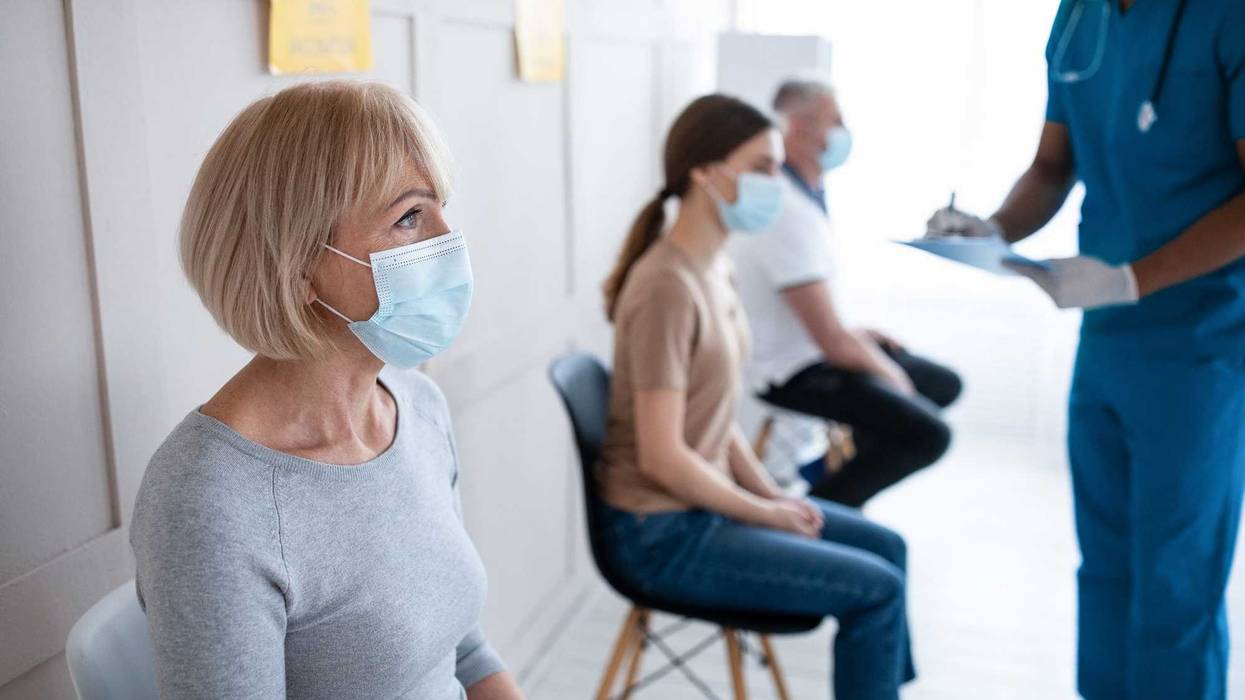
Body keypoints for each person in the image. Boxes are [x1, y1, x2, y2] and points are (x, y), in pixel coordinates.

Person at [128, 81, 524, 700]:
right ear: (298, 264)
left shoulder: (417, 408)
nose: (448, 240)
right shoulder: (208, 503)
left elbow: (463, 650)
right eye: (410, 217)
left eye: (441, 207)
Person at [926, 1, 1245, 697]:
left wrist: (1137, 278)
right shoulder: (1079, 14)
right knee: (1102, 569)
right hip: (1104, 339)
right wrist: (989, 230)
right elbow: (1049, 166)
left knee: (1175, 581)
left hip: (1202, 345)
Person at [597, 93, 916, 700]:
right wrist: (763, 513)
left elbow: (713, 421)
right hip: (661, 535)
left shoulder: (712, 268)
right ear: (705, 174)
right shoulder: (667, 286)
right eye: (763, 168)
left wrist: (770, 492)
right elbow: (662, 457)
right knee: (876, 589)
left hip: (697, 509)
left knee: (888, 548)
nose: (778, 182)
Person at [728, 79, 962, 507]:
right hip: (792, 371)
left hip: (814, 348)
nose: (843, 131)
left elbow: (820, 319)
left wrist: (860, 337)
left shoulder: (807, 196)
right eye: (835, 120)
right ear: (798, 129)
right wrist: (890, 376)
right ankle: (825, 511)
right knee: (929, 434)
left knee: (943, 385)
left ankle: (845, 478)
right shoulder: (785, 211)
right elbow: (829, 340)